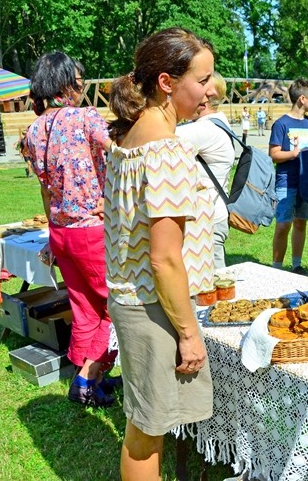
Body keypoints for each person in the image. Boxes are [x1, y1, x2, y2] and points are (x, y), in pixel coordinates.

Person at [106, 27, 216, 479]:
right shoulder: (167, 151)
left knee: (145, 422)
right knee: (147, 429)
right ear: (167, 82)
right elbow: (164, 258)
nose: (212, 89)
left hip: (136, 301)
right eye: (203, 79)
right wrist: (189, 333)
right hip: (153, 307)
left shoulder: (133, 137)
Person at [23, 51, 118, 407]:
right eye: (80, 81)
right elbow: (121, 154)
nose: (82, 88)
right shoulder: (84, 117)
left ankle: (90, 378)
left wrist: (51, 232)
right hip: (92, 230)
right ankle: (86, 377)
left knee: (83, 307)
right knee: (115, 305)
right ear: (67, 84)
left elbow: (45, 190)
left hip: (62, 233)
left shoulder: (33, 129)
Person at [176, 72, 234, 269]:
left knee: (213, 288)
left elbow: (158, 136)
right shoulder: (219, 123)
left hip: (207, 220)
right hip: (214, 215)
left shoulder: (205, 130)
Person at [269, 79, 308, 274]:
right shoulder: (281, 124)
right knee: (283, 225)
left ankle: (296, 265)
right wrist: (292, 154)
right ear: (302, 98)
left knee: (301, 222)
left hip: (307, 182)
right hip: (287, 182)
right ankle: (277, 267)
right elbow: (274, 154)